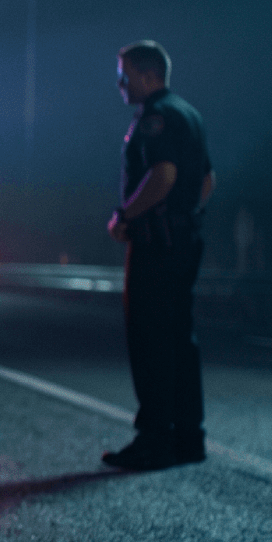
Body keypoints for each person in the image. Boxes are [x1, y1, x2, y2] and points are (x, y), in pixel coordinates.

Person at [103, 40, 215, 471]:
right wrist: (186, 216)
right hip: (185, 242)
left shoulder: (155, 118)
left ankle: (154, 440)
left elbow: (163, 174)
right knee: (180, 341)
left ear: (147, 75)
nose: (120, 83)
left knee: (150, 341)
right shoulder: (189, 115)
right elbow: (207, 180)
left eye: (124, 74)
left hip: (156, 245)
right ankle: (189, 438)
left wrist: (125, 215)